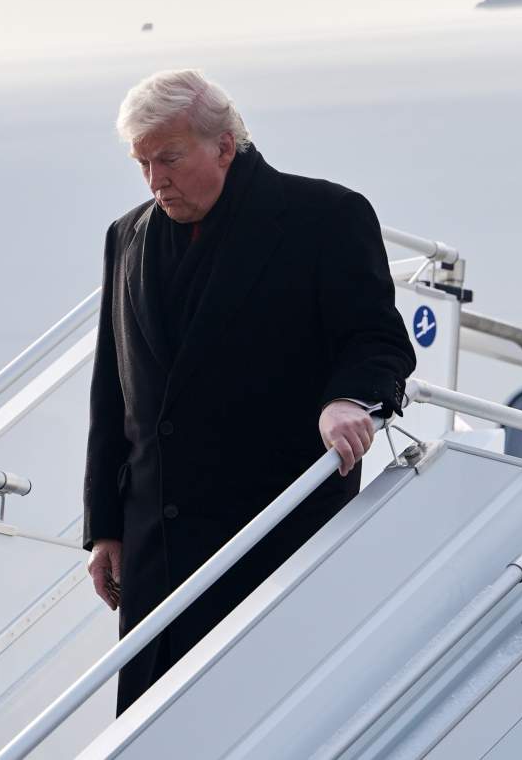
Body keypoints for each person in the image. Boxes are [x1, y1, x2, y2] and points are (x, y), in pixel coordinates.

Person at [81, 69, 416, 715]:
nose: (155, 181)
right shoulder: (126, 236)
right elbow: (110, 393)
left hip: (274, 544)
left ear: (225, 146)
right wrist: (106, 526)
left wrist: (346, 399)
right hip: (157, 563)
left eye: (169, 158)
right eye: (142, 163)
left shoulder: (326, 218)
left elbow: (379, 342)